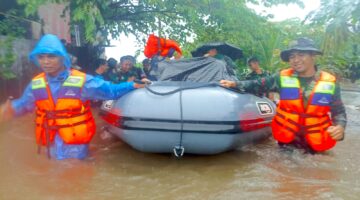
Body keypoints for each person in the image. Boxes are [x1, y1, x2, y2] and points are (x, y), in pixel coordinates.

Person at [0, 34, 144, 160]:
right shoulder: (36, 83)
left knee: (73, 181)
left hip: (75, 150)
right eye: (41, 57)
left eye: (51, 56)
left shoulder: (83, 81)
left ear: (62, 58)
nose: (46, 61)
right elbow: (24, 105)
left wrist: (132, 86)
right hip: (50, 146)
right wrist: (9, 110)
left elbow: (110, 91)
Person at [220, 37, 346, 153]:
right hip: (287, 145)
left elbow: (339, 111)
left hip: (316, 146)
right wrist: (234, 84)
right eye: (292, 56)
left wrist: (340, 127)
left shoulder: (331, 83)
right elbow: (257, 84)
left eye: (301, 55)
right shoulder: (281, 78)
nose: (296, 60)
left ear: (313, 56)